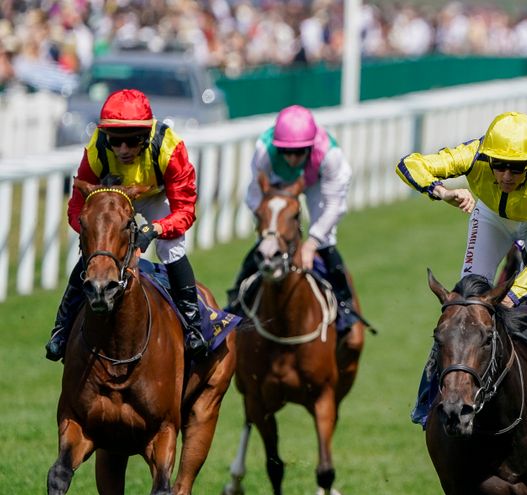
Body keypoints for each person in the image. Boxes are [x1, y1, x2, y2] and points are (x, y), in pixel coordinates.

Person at [396, 111, 527, 424]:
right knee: (463, 300)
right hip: (491, 216)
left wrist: (510, 298)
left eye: (516, 168)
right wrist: (444, 192)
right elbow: (410, 164)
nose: (505, 175)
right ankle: (428, 394)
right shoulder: (475, 155)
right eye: (498, 165)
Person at [46, 88, 208, 361]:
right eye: (115, 142)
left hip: (156, 196)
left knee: (171, 248)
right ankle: (61, 329)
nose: (123, 150)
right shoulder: (97, 148)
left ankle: (193, 325)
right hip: (114, 197)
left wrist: (154, 230)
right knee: (96, 252)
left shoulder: (170, 148)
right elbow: (75, 207)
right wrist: (93, 232)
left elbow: (185, 211)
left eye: (132, 141)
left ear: (146, 136)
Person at [224, 105, 360, 332]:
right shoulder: (264, 151)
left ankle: (345, 306)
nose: (292, 158)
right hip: (279, 183)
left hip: (317, 180)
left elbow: (334, 206)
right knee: (266, 242)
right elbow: (254, 196)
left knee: (326, 241)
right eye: (286, 152)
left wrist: (312, 243)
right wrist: (269, 230)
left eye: (299, 152)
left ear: (310, 147)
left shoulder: (331, 156)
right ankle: (237, 302)